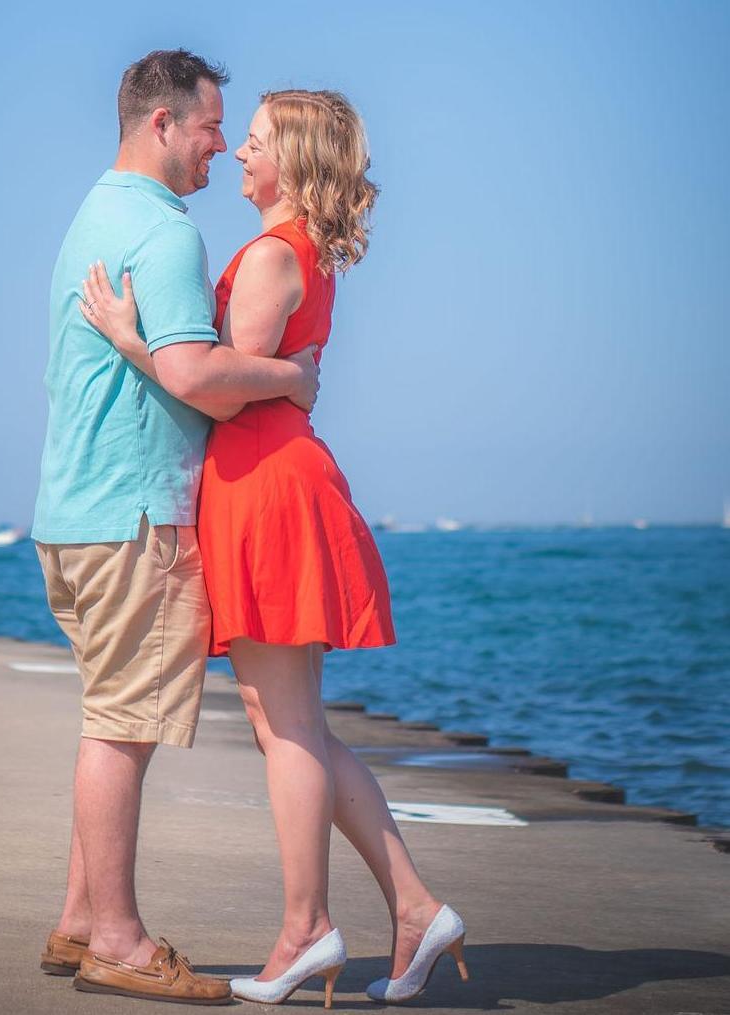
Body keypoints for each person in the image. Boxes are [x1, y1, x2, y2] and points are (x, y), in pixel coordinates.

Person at [81, 89, 467, 1007]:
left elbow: (218, 393)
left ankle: (306, 929)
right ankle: (414, 909)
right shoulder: (298, 253)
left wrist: (132, 340)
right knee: (298, 726)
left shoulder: (266, 257)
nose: (238, 154)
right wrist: (291, 375)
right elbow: (261, 381)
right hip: (273, 479)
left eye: (252, 143)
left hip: (264, 486)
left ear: (291, 165)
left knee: (283, 727)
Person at [31, 51, 320, 1006]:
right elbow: (198, 377)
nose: (220, 147)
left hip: (74, 510)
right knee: (122, 728)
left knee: (112, 717)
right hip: (136, 513)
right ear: (162, 124)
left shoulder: (93, 210)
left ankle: (81, 916)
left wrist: (134, 343)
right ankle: (116, 935)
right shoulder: (164, 232)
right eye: (208, 127)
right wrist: (290, 377)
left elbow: (160, 362)